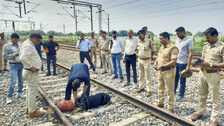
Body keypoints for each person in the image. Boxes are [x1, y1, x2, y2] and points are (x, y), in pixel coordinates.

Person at [190, 27, 223, 126]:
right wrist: (198, 63)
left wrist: (210, 64)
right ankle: (200, 112)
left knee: (215, 98)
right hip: (202, 73)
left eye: (208, 37)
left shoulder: (221, 47)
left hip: (213, 74)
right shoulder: (206, 46)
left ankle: (214, 119)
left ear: (215, 36)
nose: (206, 39)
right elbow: (203, 58)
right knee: (202, 94)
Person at [20, 33, 45, 118]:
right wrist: (30, 66)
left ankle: (29, 108)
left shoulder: (27, 43)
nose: (38, 43)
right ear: (34, 38)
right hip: (31, 72)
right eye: (38, 40)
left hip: (28, 72)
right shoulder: (28, 46)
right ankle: (32, 111)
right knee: (32, 91)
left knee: (29, 90)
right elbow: (22, 58)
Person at [154, 32, 179, 113]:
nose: (160, 40)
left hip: (168, 71)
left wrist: (163, 66)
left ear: (166, 38)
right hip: (160, 71)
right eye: (159, 38)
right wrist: (156, 62)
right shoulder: (162, 47)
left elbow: (174, 61)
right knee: (160, 87)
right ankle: (160, 102)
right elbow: (159, 56)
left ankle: (170, 106)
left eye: (161, 38)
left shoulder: (173, 48)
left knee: (169, 90)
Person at [3, 33, 25, 104]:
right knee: (13, 81)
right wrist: (13, 55)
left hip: (21, 65)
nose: (16, 41)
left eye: (17, 40)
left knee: (21, 80)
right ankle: (9, 97)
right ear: (11, 38)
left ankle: (19, 93)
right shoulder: (6, 46)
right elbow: (4, 56)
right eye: (15, 39)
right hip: (13, 65)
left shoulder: (20, 45)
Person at [174, 27, 194, 101]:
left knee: (182, 80)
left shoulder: (189, 41)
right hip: (176, 63)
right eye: (177, 33)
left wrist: (188, 66)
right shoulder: (177, 40)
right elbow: (175, 51)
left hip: (183, 64)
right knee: (174, 79)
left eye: (178, 33)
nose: (177, 35)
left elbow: (190, 54)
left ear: (183, 32)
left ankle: (181, 95)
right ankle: (173, 93)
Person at [136, 29, 156, 97]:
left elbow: (154, 50)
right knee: (141, 74)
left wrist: (150, 57)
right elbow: (137, 50)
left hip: (147, 61)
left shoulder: (149, 41)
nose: (139, 36)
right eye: (138, 35)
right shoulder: (138, 42)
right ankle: (141, 87)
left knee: (148, 75)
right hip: (140, 60)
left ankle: (148, 90)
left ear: (144, 35)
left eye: (140, 35)